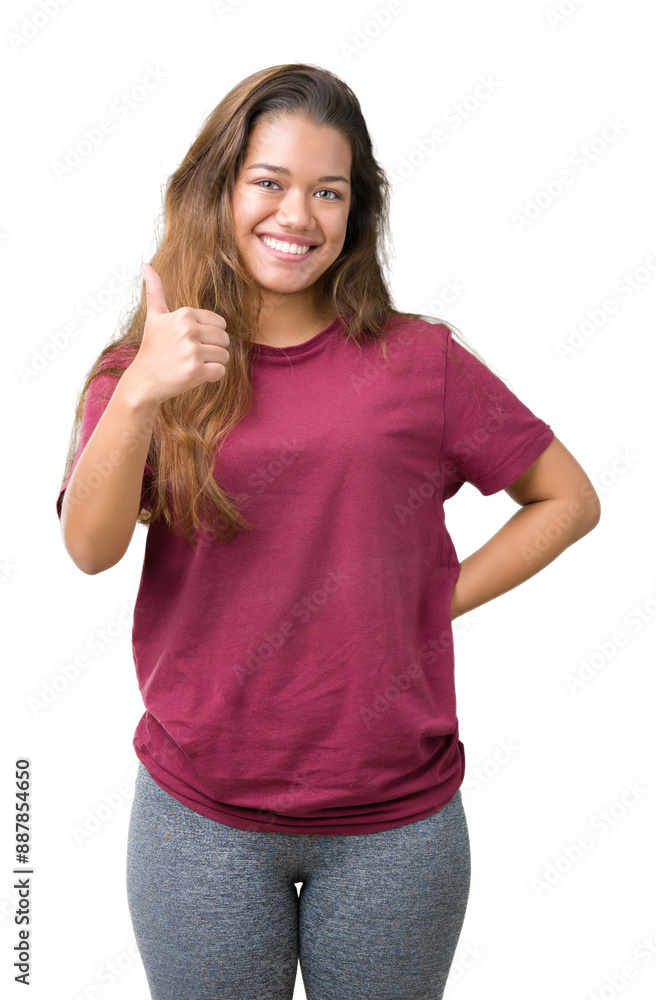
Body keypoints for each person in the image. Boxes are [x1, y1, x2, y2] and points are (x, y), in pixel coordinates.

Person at [56, 63, 601, 1000]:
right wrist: (143, 388)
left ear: (358, 210)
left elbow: (568, 499)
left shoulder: (420, 361)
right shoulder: (143, 367)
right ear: (220, 188)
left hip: (398, 823)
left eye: (328, 191)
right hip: (201, 818)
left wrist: (438, 596)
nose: (296, 214)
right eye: (268, 182)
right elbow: (90, 549)